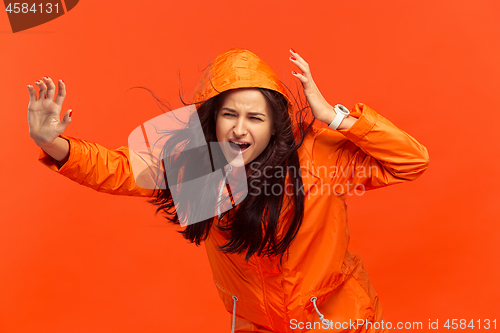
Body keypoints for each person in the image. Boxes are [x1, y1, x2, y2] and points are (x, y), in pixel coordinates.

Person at [27, 48, 430, 332]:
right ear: (212, 120)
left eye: (255, 117)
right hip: (259, 324)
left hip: (338, 322)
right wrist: (53, 144)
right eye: (229, 114)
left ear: (274, 124)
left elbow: (411, 161)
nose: (240, 129)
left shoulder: (317, 156)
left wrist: (336, 118)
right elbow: (119, 168)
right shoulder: (197, 166)